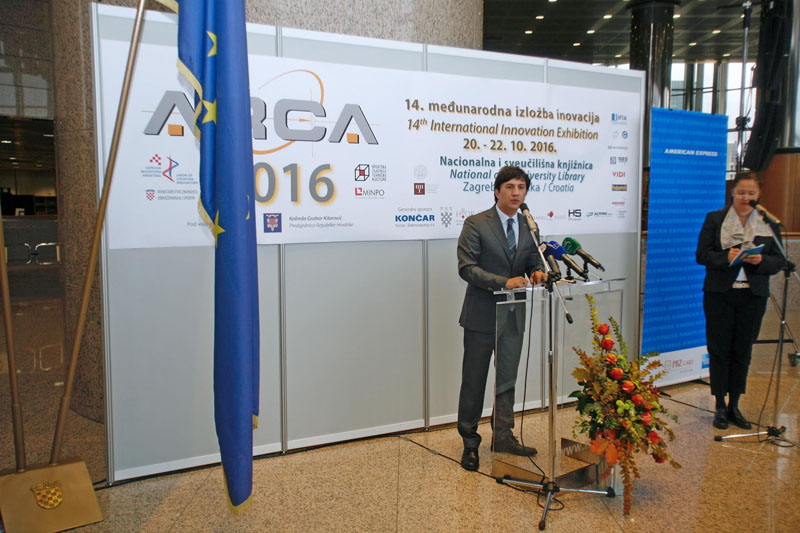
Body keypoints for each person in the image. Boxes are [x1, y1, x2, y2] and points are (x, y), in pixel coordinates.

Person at [456, 165, 547, 471]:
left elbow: (534, 258)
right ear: (497, 191)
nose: (516, 193)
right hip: (481, 315)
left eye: (521, 187)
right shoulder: (476, 223)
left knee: (507, 378)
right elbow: (467, 268)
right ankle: (470, 442)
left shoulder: (528, 225)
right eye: (510, 187)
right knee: (474, 380)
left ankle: (504, 436)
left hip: (513, 315)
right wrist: (503, 282)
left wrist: (537, 271)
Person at [696, 170, 784, 430]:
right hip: (720, 294)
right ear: (732, 192)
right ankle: (720, 405)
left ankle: (735, 404)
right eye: (741, 192)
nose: (746, 198)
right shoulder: (716, 219)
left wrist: (761, 260)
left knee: (742, 350)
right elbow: (702, 255)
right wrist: (727, 257)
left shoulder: (767, 222)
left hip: (752, 295)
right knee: (719, 349)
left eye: (751, 193)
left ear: (758, 195)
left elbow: (779, 260)